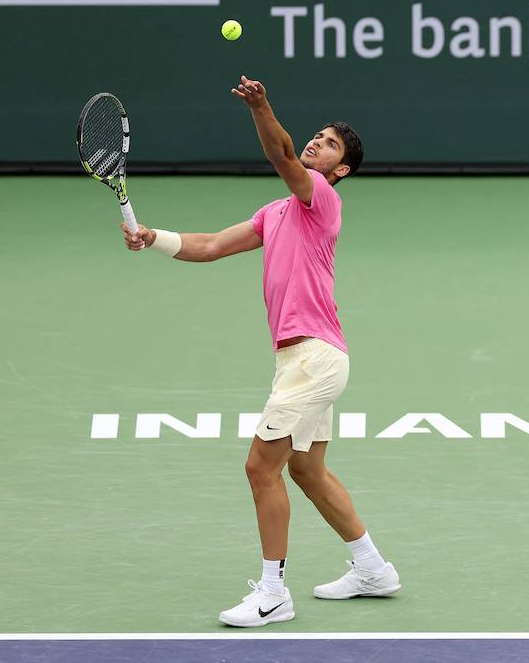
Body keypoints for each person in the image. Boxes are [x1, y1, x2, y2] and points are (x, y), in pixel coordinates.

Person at [122, 75, 399, 627]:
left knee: (259, 469)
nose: (317, 144)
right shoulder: (275, 213)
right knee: (307, 470)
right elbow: (213, 246)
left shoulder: (319, 199)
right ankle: (373, 568)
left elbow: (280, 153)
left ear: (340, 171)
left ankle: (273, 592)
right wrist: (156, 238)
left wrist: (261, 106)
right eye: (317, 136)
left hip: (314, 359)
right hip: (303, 359)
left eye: (329, 144)